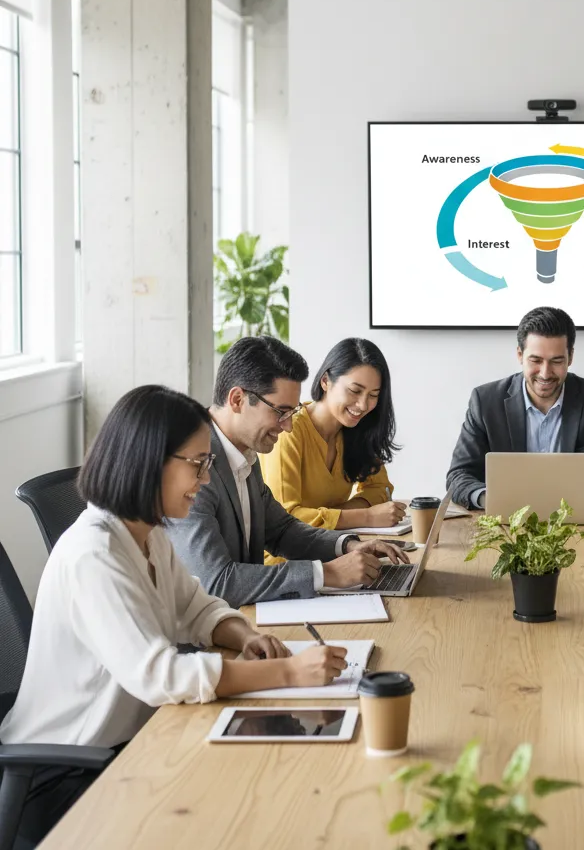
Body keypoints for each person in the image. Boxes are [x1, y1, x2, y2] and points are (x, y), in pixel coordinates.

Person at [0, 385, 350, 848]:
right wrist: (287, 672)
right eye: (198, 464)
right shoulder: (94, 553)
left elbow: (197, 606)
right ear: (149, 462)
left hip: (130, 745)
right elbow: (159, 675)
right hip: (63, 774)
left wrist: (243, 635)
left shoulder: (147, 534)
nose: (206, 479)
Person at [165, 337, 408, 608]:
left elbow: (281, 531)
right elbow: (216, 583)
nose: (288, 426)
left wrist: (347, 546)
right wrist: (326, 573)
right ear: (237, 400)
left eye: (291, 412)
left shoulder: (244, 453)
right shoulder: (191, 465)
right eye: (280, 412)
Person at [446, 306, 584, 510]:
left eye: (556, 361)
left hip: (577, 519)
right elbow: (459, 475)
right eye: (536, 360)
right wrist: (491, 500)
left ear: (570, 357)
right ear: (520, 355)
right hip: (506, 520)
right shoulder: (485, 402)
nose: (545, 373)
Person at [260, 337, 406, 564]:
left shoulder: (357, 430)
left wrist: (336, 514)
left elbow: (381, 489)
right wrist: (366, 516)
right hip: (284, 565)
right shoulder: (289, 432)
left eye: (373, 395)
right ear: (326, 381)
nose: (363, 405)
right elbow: (287, 518)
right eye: (355, 391)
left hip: (332, 553)